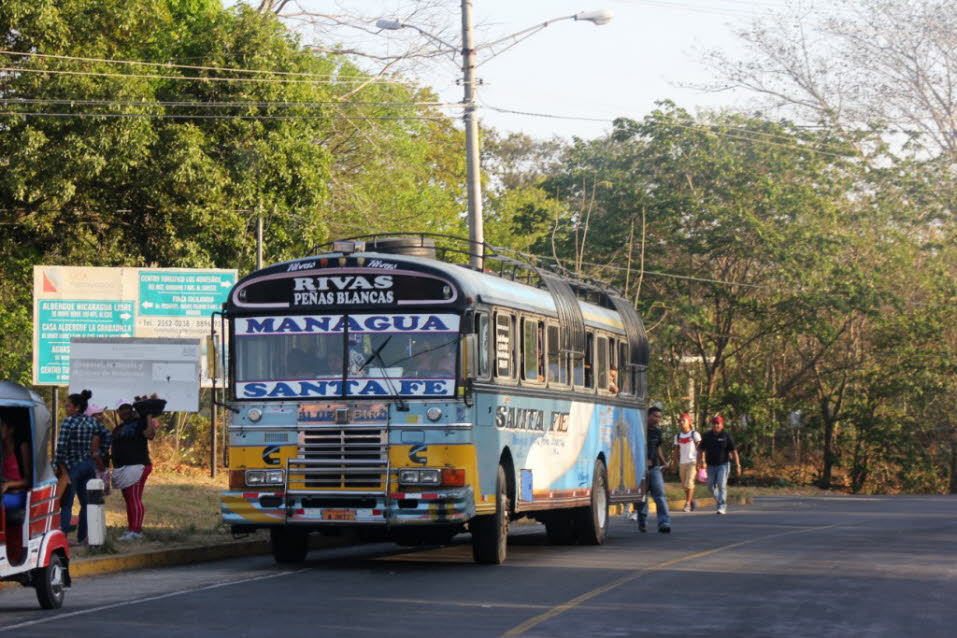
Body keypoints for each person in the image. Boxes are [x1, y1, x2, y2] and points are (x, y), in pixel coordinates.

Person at [54, 389, 111, 543]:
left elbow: (61, 449)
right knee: (86, 504)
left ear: (77, 407)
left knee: (66, 504)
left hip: (71, 466)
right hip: (88, 464)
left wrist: (60, 467)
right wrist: (99, 452)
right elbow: (107, 434)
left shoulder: (68, 422)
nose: (66, 409)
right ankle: (83, 537)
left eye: (68, 406)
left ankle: (63, 537)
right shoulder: (91, 421)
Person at [111, 396, 164, 541]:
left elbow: (150, 434)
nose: (124, 411)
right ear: (118, 412)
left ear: (131, 409)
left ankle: (136, 531)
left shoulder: (139, 423)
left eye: (127, 408)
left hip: (138, 465)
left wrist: (147, 415)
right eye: (121, 409)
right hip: (123, 468)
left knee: (134, 498)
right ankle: (131, 529)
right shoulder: (118, 429)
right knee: (129, 499)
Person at [635, 406, 671, 533]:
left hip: (654, 468)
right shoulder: (639, 429)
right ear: (648, 416)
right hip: (639, 468)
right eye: (655, 416)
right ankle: (642, 521)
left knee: (660, 496)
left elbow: (657, 448)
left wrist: (664, 462)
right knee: (641, 498)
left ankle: (664, 523)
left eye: (659, 417)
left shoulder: (657, 432)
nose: (657, 419)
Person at [1, 417, 31, 564]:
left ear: (11, 429)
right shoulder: (1, 448)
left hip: (18, 493)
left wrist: (9, 485)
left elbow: (28, 480)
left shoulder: (21, 447)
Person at [698, 415, 742, 515]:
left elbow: (734, 451)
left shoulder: (726, 436)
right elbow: (700, 449)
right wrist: (701, 460)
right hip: (710, 465)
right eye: (714, 423)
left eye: (718, 424)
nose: (716, 426)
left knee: (721, 485)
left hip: (723, 465)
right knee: (710, 486)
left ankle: (721, 506)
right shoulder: (707, 436)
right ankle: (720, 501)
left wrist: (738, 465)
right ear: (711, 425)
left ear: (722, 425)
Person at [672, 413, 701, 512]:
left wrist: (701, 462)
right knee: (684, 485)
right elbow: (676, 450)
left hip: (692, 461)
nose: (681, 422)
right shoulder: (678, 436)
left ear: (689, 422)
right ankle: (691, 500)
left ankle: (687, 504)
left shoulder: (694, 434)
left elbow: (700, 449)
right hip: (682, 462)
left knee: (689, 483)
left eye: (683, 420)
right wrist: (674, 462)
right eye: (680, 421)